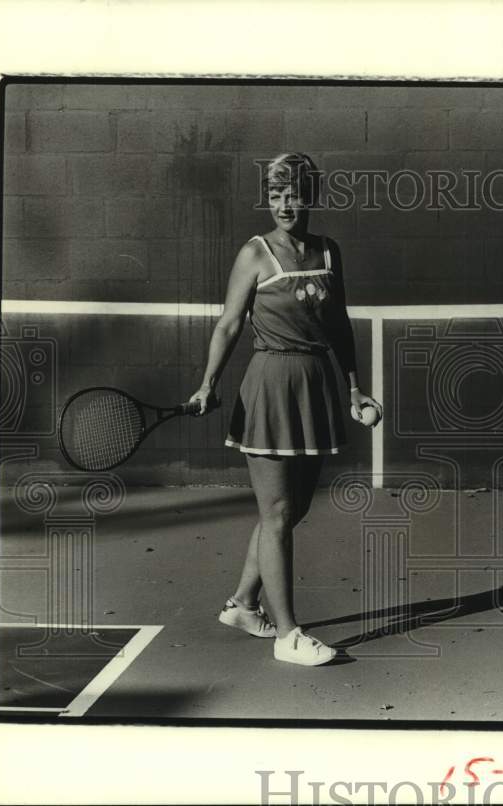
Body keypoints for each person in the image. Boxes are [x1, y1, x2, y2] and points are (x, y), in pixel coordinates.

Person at [189, 152, 381, 666]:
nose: (283, 204)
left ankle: (244, 605)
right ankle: (288, 635)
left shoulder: (328, 251)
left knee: (293, 510)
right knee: (275, 513)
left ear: (310, 196)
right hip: (271, 387)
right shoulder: (255, 253)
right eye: (275, 195)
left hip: (316, 385)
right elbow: (229, 324)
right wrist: (208, 383)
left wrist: (354, 388)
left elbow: (338, 326)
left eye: (292, 193)